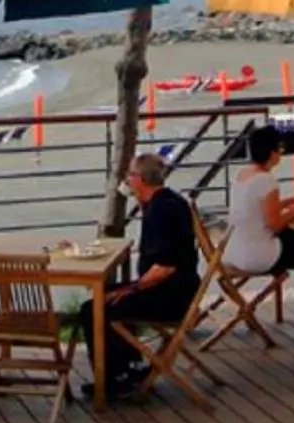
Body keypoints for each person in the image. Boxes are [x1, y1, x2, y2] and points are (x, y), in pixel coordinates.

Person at [80, 154, 204, 398]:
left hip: (171, 296)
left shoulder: (160, 211)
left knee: (93, 308)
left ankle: (114, 379)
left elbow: (165, 267)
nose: (127, 180)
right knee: (104, 295)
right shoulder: (167, 202)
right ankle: (128, 366)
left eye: (130, 175)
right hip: (180, 288)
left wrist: (130, 288)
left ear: (140, 179)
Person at [221, 124, 294, 342]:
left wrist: (289, 202)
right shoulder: (266, 180)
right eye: (279, 148)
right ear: (271, 153)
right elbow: (274, 224)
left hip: (234, 250)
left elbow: (259, 208)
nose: (281, 152)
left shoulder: (243, 174)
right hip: (257, 254)